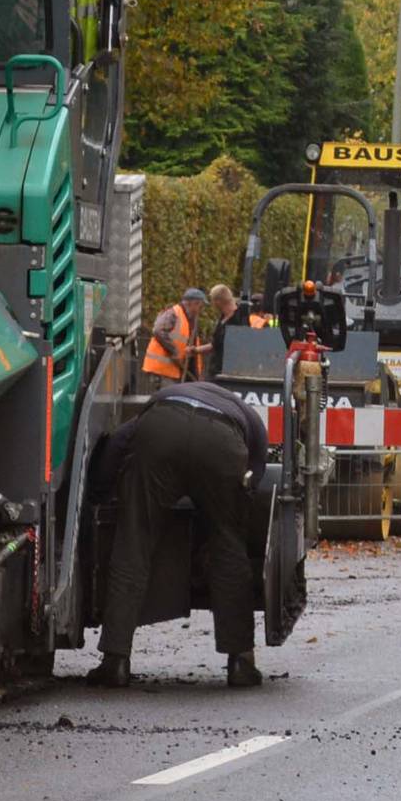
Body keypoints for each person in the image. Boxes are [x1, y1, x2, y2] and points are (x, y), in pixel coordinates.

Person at [89, 378, 272, 689]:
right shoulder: (247, 415)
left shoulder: (164, 399)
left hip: (161, 431)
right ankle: (241, 662)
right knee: (229, 547)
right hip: (222, 441)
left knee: (133, 541)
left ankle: (115, 661)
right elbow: (255, 472)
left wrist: (100, 492)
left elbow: (119, 443)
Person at [143, 287, 211, 389]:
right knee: (168, 402)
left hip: (172, 371)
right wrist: (175, 351)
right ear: (191, 303)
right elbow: (158, 330)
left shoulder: (190, 320)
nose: (200, 310)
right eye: (200, 306)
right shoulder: (173, 313)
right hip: (162, 370)